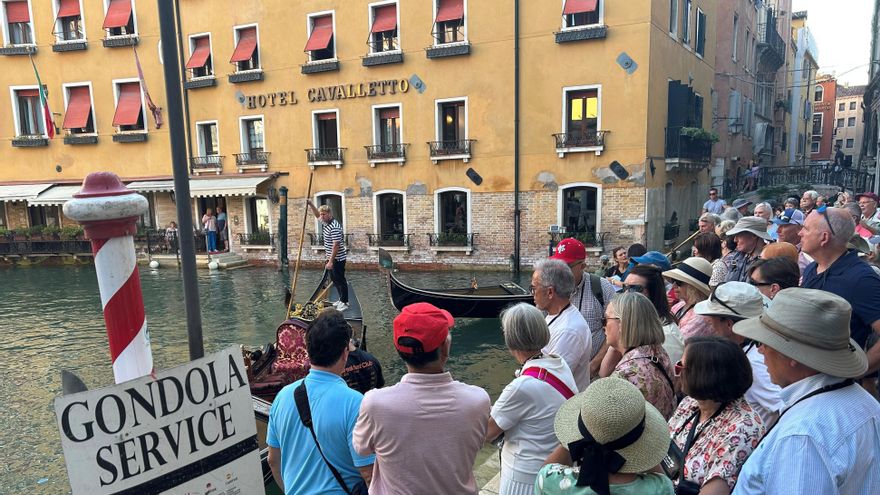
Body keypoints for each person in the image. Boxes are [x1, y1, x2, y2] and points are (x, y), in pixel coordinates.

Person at [733, 289, 880, 494]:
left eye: (764, 342)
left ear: (791, 356)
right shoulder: (864, 401)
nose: (760, 350)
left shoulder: (801, 435)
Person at [353, 302, 490, 494]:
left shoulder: (375, 404)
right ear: (445, 347)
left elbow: (362, 449)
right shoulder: (478, 400)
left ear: (398, 349)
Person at [267, 310, 374, 494]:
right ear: (345, 353)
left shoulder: (282, 396)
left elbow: (272, 460)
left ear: (308, 351)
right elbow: (368, 474)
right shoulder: (356, 403)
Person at [486, 303, 578, 494]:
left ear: (510, 338)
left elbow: (486, 432)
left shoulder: (522, 386)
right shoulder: (558, 363)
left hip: (525, 479)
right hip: (554, 471)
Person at [536, 378, 674, 495]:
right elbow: (660, 476)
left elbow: (545, 470)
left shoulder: (550, 481)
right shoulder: (660, 489)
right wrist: (645, 444)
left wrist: (572, 439)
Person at [668, 336, 764, 494]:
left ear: (705, 376)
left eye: (680, 367)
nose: (676, 372)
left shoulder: (743, 429)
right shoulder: (690, 403)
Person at [799, 206, 880, 390]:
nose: (800, 233)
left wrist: (858, 370)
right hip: (807, 380)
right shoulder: (813, 268)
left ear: (824, 238)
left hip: (836, 389)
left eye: (806, 228)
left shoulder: (861, 279)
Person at [694, 282, 783, 427]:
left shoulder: (756, 362)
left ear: (729, 324)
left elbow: (783, 406)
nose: (709, 323)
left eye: (712, 318)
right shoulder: (749, 351)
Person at [602, 293, 676, 419]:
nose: (603, 326)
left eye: (605, 320)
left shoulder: (625, 374)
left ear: (622, 324)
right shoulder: (658, 352)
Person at [550, 239, 615, 374]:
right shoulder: (549, 290)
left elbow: (618, 329)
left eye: (566, 266)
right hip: (558, 373)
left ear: (582, 266)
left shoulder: (602, 287)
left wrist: (594, 365)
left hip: (593, 371)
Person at [531, 258, 592, 390]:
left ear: (550, 292)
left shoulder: (568, 331)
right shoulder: (558, 316)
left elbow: (551, 384)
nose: (533, 294)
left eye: (534, 288)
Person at [622, 264, 685, 365]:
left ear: (653, 293)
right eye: (625, 287)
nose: (626, 294)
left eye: (634, 288)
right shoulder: (635, 324)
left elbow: (672, 377)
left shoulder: (667, 335)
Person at [307, 201, 349, 311]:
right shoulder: (326, 223)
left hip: (338, 259)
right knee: (335, 280)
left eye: (324, 214)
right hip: (331, 258)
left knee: (340, 280)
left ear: (329, 214)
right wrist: (311, 204)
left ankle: (345, 302)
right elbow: (316, 215)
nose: (321, 216)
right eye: (321, 214)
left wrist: (330, 261)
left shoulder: (334, 226)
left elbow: (336, 245)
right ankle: (341, 299)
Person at [664, 257, 715, 339]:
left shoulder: (701, 316)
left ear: (693, 287)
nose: (673, 286)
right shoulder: (680, 305)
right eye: (673, 280)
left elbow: (678, 343)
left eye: (678, 282)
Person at [724, 216, 771, 282]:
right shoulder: (737, 256)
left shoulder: (768, 261)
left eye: (739, 235)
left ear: (754, 235)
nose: (735, 240)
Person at [770, 207, 811, 273]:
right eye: (778, 225)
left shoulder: (810, 252)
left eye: (783, 226)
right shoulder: (773, 248)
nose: (777, 230)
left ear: (799, 228)